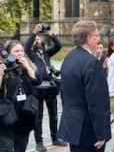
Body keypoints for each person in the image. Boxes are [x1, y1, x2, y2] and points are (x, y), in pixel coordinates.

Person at [57, 21, 111, 152]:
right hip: (89, 131)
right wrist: (101, 133)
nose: (99, 39)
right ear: (89, 38)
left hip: (73, 126)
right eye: (97, 35)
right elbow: (96, 101)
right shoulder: (91, 63)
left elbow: (64, 93)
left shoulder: (69, 57)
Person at [24, 23, 67, 152]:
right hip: (37, 89)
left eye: (38, 39)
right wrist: (34, 33)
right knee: (38, 117)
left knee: (54, 115)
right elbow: (26, 46)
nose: (37, 40)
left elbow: (59, 46)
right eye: (35, 39)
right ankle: (39, 142)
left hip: (50, 88)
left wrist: (51, 35)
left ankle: (55, 137)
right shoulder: (30, 54)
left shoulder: (46, 53)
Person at [0, 40, 42, 152]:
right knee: (7, 148)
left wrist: (27, 66)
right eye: (16, 51)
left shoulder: (26, 67)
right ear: (8, 54)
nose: (20, 53)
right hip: (8, 116)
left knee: (21, 147)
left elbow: (37, 80)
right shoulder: (4, 68)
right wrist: (1, 75)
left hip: (24, 114)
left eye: (21, 51)